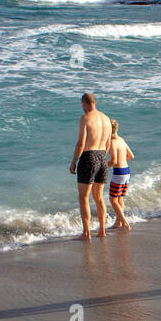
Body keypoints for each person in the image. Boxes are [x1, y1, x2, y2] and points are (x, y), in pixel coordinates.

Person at [69, 92, 112, 240]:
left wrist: (74, 161)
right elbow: (108, 144)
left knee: (84, 197)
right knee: (99, 197)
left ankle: (86, 232)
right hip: (102, 156)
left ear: (84, 103)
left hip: (89, 157)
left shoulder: (85, 118)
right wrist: (102, 158)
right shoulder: (106, 119)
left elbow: (81, 143)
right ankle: (102, 230)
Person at [107, 119, 135, 231]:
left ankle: (125, 222)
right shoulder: (121, 140)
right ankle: (118, 222)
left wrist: (104, 166)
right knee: (120, 199)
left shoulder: (112, 142)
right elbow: (131, 156)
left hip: (118, 173)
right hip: (126, 171)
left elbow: (113, 161)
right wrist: (122, 160)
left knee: (113, 199)